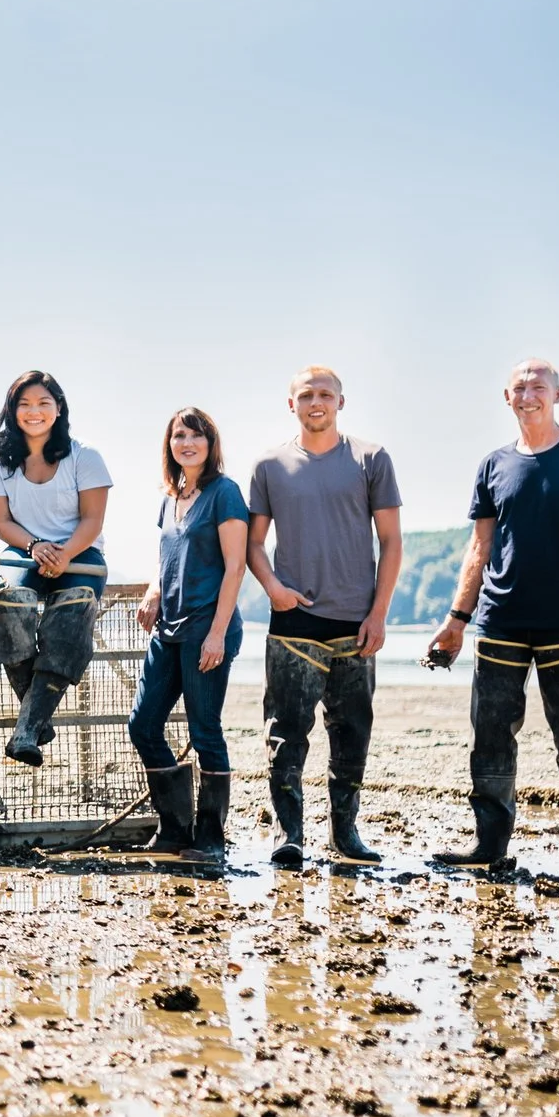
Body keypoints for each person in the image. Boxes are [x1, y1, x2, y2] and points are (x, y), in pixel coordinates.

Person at [430, 360, 559, 873]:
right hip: (500, 623)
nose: (528, 395)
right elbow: (479, 547)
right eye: (519, 388)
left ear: (558, 394)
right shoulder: (493, 465)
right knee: (490, 737)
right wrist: (456, 619)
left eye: (538, 386)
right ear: (506, 397)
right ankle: (489, 845)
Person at [245, 367, 403, 866]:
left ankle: (345, 834)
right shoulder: (269, 465)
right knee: (285, 735)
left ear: (341, 402)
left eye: (326, 395)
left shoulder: (372, 459)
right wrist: (274, 589)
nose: (317, 402)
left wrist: (379, 613)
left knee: (351, 734)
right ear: (291, 403)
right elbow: (253, 543)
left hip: (356, 623)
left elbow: (391, 541)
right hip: (294, 622)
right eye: (307, 395)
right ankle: (288, 834)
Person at [128, 408, 250, 863]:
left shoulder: (225, 493)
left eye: (197, 435)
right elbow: (168, 555)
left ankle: (211, 838)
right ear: (170, 445)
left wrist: (217, 634)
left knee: (204, 731)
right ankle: (175, 829)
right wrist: (153, 591)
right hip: (169, 629)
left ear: (210, 443)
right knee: (143, 725)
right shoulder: (170, 497)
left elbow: (235, 567)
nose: (188, 443)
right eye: (179, 435)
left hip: (207, 628)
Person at [0, 370, 112, 766]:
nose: (33, 411)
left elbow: (92, 520)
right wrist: (36, 546)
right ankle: (36, 720)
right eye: (24, 404)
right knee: (6, 603)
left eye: (43, 403)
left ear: (58, 408)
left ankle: (25, 732)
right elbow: (1, 523)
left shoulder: (85, 456)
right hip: (23, 551)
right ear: (11, 410)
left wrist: (64, 554)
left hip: (80, 553)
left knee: (70, 615)